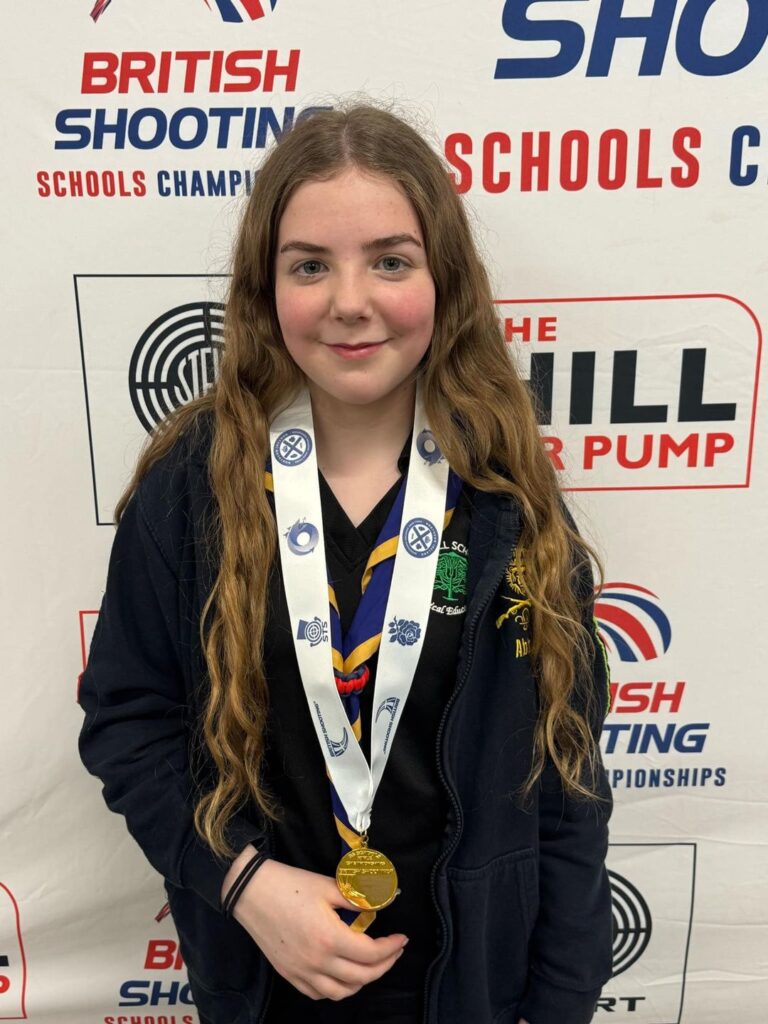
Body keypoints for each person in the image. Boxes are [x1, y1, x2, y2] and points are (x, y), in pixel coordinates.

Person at [78, 101, 614, 1024]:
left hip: (472, 992)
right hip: (266, 983)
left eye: (390, 260)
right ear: (265, 287)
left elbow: (564, 780)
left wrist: (562, 1001)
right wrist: (243, 884)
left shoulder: (503, 493)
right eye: (311, 266)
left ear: (443, 280)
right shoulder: (192, 489)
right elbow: (128, 724)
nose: (351, 301)